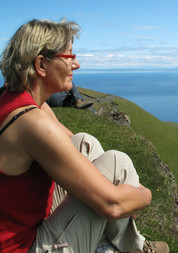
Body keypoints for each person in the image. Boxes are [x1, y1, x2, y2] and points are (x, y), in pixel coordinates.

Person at [0, 19, 167, 253]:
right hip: (25, 247)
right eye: (69, 57)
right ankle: (133, 248)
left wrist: (123, 187)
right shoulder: (31, 124)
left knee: (84, 143)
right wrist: (142, 195)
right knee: (118, 163)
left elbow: (68, 141)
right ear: (41, 65)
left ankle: (104, 238)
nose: (76, 64)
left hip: (25, 229)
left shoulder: (17, 101)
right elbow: (113, 204)